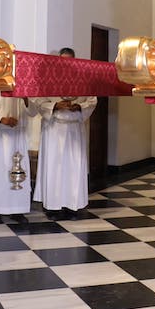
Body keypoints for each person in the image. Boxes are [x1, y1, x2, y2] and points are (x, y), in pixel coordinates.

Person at [30, 48, 97, 220]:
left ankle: (72, 206)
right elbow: (38, 100)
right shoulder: (48, 79)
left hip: (74, 129)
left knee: (73, 168)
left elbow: (92, 100)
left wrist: (79, 106)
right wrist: (55, 106)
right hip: (54, 129)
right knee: (55, 167)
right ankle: (53, 207)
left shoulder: (83, 79)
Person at [0, 91, 32, 224]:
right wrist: (1, 120)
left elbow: (34, 111)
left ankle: (18, 209)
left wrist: (26, 98)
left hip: (18, 135)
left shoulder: (25, 84)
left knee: (19, 171)